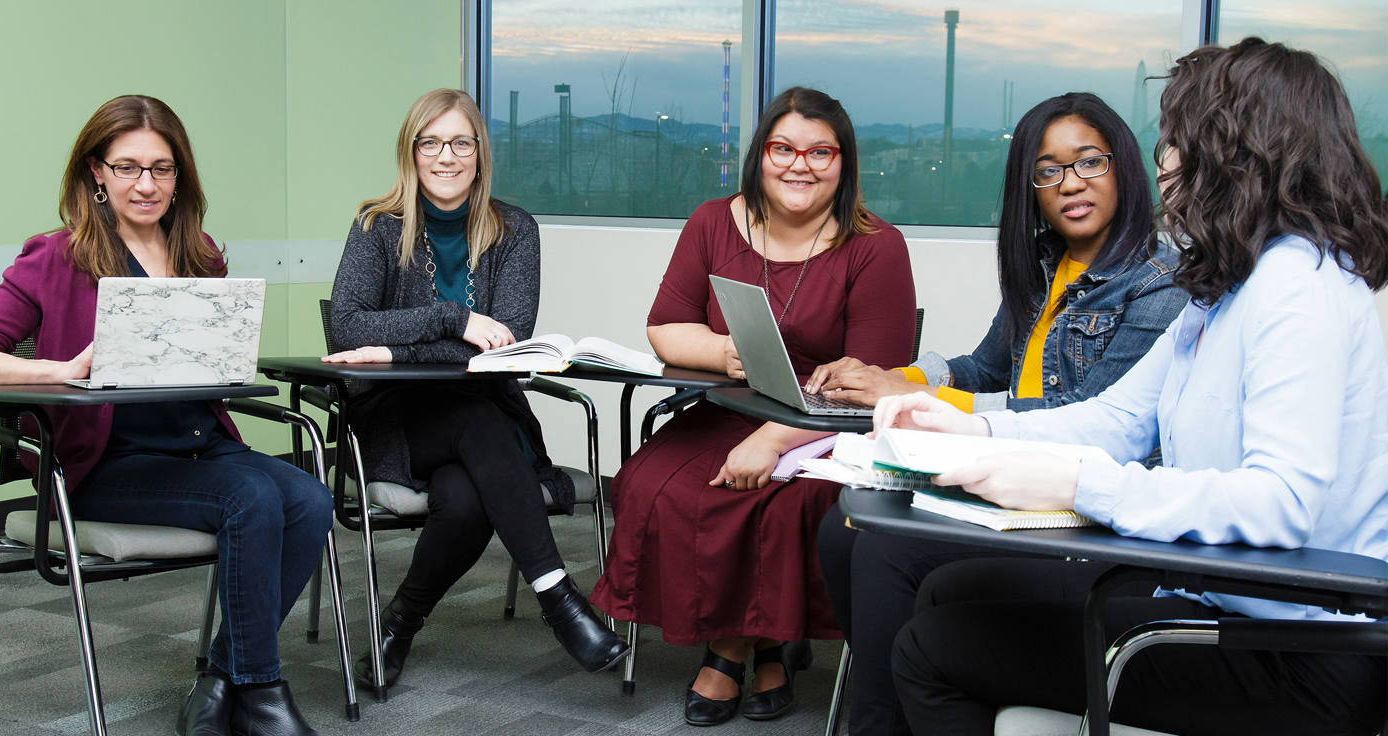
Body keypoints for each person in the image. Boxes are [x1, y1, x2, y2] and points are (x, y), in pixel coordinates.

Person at [875, 37, 1388, 736]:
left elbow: (1282, 502)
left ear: (1238, 155)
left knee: (930, 650)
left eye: (1176, 143)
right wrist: (973, 429)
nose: (1164, 164)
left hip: (1294, 653)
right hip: (1208, 598)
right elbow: (1118, 417)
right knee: (946, 590)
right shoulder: (1226, 289)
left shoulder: (1301, 286)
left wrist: (1077, 486)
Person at [0, 95, 333, 736]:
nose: (146, 184)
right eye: (128, 167)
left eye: (161, 168)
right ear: (97, 172)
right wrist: (63, 370)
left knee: (311, 499)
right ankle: (262, 692)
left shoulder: (202, 255)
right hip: (104, 464)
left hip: (199, 447)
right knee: (251, 500)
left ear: (181, 176)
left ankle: (220, 677)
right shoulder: (54, 257)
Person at [809, 93, 1189, 735]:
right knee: (840, 531)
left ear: (1123, 166)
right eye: (1048, 170)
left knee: (887, 552)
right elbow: (982, 366)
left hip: (1082, 512)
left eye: (1089, 162)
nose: (1071, 184)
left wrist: (928, 407)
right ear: (1029, 188)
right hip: (1012, 484)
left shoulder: (1163, 283)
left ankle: (876, 724)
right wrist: (894, 379)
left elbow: (1079, 414)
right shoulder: (1045, 269)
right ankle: (901, 710)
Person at [589, 86, 918, 726]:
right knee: (651, 483)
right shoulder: (714, 220)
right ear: (760, 156)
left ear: (844, 163)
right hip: (725, 405)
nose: (801, 165)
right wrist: (722, 354)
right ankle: (768, 645)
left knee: (780, 499)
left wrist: (773, 439)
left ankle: (727, 652)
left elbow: (864, 383)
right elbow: (665, 326)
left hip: (826, 426)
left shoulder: (877, 245)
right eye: (783, 148)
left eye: (821, 152)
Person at [324, 88, 627, 691]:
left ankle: (398, 626)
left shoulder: (515, 229)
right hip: (397, 418)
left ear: (480, 153)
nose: (446, 156)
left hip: (485, 409)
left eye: (461, 142)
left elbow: (509, 344)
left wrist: (397, 347)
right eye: (430, 142)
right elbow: (347, 325)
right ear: (410, 152)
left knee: (464, 498)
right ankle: (561, 600)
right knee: (479, 426)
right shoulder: (376, 227)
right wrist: (451, 319)